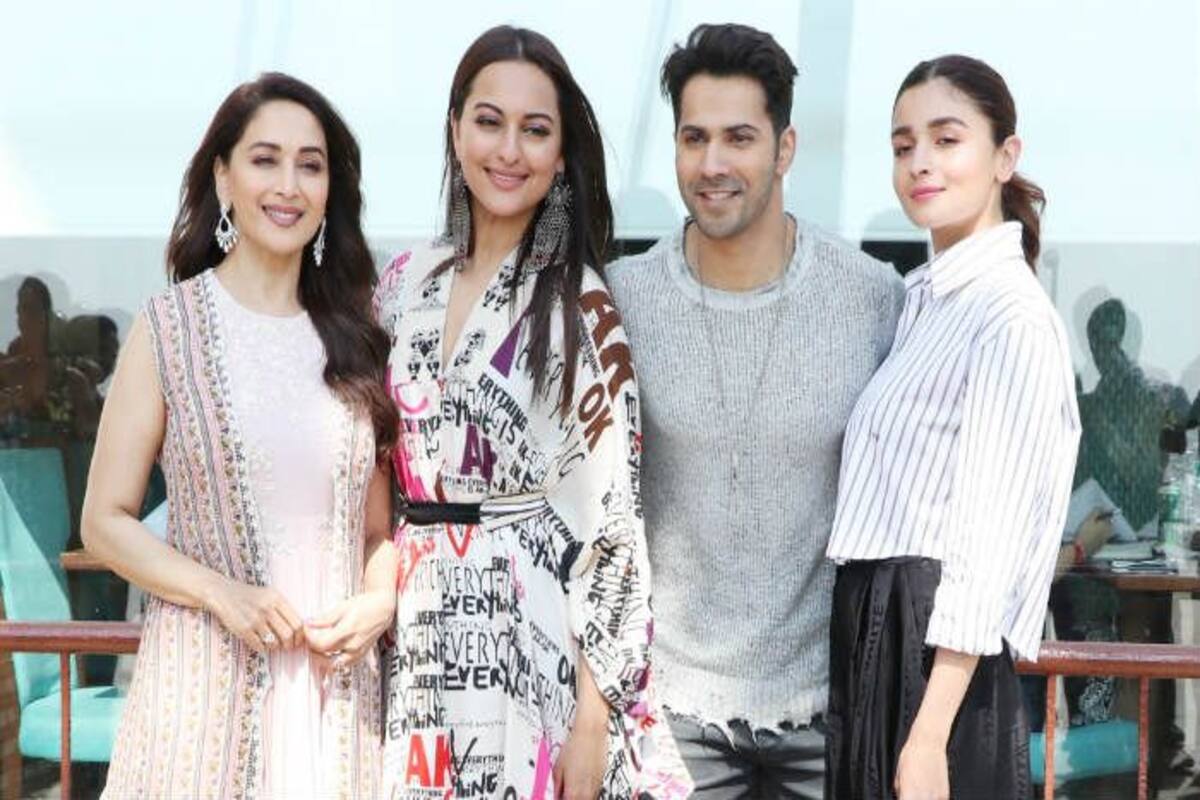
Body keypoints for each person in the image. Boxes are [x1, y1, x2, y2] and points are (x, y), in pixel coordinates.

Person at [375, 26, 676, 800]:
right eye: (489, 121)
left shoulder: (579, 305)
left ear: (562, 155)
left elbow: (612, 520)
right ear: (455, 130)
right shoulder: (404, 283)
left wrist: (594, 718)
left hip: (528, 631)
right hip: (411, 624)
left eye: (535, 130)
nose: (508, 150)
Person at [607, 23, 904, 798]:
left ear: (785, 148)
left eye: (739, 137)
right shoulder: (623, 300)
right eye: (694, 138)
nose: (713, 164)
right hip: (673, 712)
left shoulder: (870, 297)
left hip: (826, 711)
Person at [82, 72, 399, 798]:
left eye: (310, 165)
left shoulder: (357, 338)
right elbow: (103, 520)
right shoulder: (169, 329)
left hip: (334, 706)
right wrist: (221, 593)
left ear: (330, 190)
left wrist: (378, 601)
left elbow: (376, 532)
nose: (288, 185)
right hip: (202, 695)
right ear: (223, 177)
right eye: (265, 159)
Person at [825, 55, 1080, 799]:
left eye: (946, 139)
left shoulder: (1009, 314)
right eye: (903, 146)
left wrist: (930, 733)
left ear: (1005, 156)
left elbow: (986, 544)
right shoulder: (925, 304)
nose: (920, 163)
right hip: (879, 632)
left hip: (937, 660)